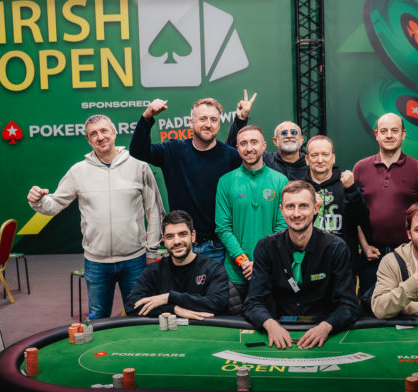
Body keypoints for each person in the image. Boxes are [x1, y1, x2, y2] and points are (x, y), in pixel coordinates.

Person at [27, 114, 164, 319]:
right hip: (96, 263)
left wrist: (152, 251)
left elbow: (154, 211)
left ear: (114, 132)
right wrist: (37, 201)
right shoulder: (78, 171)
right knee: (99, 318)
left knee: (139, 315)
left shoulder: (139, 167)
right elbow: (54, 205)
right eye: (93, 134)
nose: (100, 137)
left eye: (104, 131)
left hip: (134, 259)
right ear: (88, 140)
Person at [129, 91, 256, 264]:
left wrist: (240, 121)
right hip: (181, 244)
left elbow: (236, 150)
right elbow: (138, 151)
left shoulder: (231, 156)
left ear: (219, 124)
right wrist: (147, 117)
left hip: (218, 247)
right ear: (191, 122)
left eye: (213, 120)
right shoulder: (173, 150)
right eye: (203, 119)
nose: (208, 124)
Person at [244, 181, 359, 350]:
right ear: (282, 210)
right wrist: (270, 324)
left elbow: (349, 305)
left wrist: (326, 327)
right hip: (279, 331)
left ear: (315, 208)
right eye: (290, 207)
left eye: (303, 206)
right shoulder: (266, 247)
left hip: (323, 332)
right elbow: (253, 302)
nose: (296, 213)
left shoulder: (336, 248)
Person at [353, 113, 418, 311]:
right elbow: (354, 213)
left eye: (394, 131)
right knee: (371, 309)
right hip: (372, 255)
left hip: (408, 255)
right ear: (376, 135)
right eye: (384, 131)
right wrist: (364, 246)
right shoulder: (360, 168)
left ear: (403, 134)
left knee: (409, 309)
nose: (389, 135)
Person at [215, 125, 288, 299]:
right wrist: (244, 262)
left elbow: (283, 227)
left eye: (254, 142)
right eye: (243, 143)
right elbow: (223, 228)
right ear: (237, 148)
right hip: (236, 274)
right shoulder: (226, 181)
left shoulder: (280, 181)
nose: (249, 148)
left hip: (271, 270)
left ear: (264, 145)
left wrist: (261, 262)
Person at [125, 210, 229, 319]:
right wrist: (174, 309)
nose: (177, 241)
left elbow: (218, 304)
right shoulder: (153, 271)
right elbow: (131, 306)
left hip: (202, 328)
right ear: (164, 240)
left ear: (193, 236)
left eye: (182, 234)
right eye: (170, 236)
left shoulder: (213, 269)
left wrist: (169, 298)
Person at [303, 135, 368, 271]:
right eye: (314, 155)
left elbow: (360, 220)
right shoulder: (300, 188)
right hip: (309, 262)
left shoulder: (348, 184)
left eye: (325, 155)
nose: (320, 160)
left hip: (343, 263)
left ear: (333, 158)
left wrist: (351, 190)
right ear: (307, 160)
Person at [228, 119, 309, 180]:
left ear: (301, 140)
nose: (289, 136)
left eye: (294, 133)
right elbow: (231, 151)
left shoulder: (310, 163)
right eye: (284, 133)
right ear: (275, 141)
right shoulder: (264, 159)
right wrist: (240, 120)